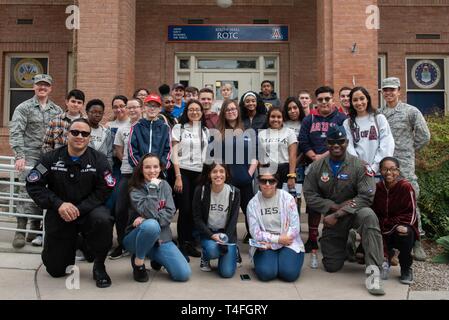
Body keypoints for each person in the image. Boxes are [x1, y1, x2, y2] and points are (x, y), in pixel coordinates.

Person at [26, 118, 115, 288]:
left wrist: (79, 209)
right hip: (60, 213)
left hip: (88, 212)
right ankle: (79, 242)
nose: (79, 136)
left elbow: (105, 189)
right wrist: (58, 204)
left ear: (89, 137)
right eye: (75, 132)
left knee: (103, 220)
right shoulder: (50, 159)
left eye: (84, 133)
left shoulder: (99, 159)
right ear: (67, 134)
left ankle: (99, 265)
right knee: (56, 270)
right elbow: (34, 184)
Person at [303, 125, 385, 295]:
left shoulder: (360, 165)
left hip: (355, 213)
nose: (336, 145)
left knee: (369, 216)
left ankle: (373, 274)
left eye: (340, 141)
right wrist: (333, 207)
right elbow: (309, 195)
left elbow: (367, 196)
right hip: (333, 218)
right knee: (332, 266)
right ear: (327, 143)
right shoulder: (317, 167)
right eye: (332, 142)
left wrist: (341, 211)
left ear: (347, 142)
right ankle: (349, 241)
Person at [380, 77, 431, 261]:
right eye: (385, 90)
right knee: (387, 200)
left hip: (405, 164)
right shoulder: (380, 114)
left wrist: (409, 150)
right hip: (386, 163)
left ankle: (417, 241)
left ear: (399, 91)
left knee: (411, 200)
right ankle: (391, 241)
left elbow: (424, 136)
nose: (389, 93)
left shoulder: (411, 111)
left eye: (392, 89)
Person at [9, 74, 63, 248]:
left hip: (48, 156)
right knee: (26, 189)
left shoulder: (57, 110)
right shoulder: (23, 108)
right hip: (29, 155)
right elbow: (16, 132)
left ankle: (35, 227)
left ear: (50, 88)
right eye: (39, 85)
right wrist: (19, 155)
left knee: (44, 190)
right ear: (33, 87)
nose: (42, 88)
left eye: (46, 85)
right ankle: (20, 229)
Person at [123, 153, 191, 282]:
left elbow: (170, 212)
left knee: (183, 274)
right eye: (147, 167)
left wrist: (147, 219)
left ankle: (156, 258)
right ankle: (139, 262)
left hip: (161, 239)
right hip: (135, 238)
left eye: (155, 167)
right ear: (141, 169)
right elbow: (149, 213)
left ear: (160, 168)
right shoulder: (135, 189)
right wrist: (153, 188)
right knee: (150, 226)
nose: (152, 171)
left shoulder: (165, 185)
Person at [299, 86, 347, 252]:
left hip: (336, 166)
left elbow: (343, 141)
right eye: (320, 100)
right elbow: (303, 140)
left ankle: (332, 238)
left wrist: (324, 156)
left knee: (334, 202)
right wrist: (314, 157)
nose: (324, 102)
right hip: (313, 166)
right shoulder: (309, 119)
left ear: (333, 100)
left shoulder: (341, 118)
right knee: (313, 203)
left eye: (327, 99)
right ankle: (312, 239)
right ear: (316, 102)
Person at [246, 170, 304, 282]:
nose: (267, 184)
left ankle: (286, 259)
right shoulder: (252, 204)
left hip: (288, 242)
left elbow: (295, 228)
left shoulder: (288, 198)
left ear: (276, 182)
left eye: (271, 181)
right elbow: (255, 233)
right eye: (263, 181)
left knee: (289, 274)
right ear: (258, 182)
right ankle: (272, 261)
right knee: (266, 274)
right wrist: (277, 240)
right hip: (265, 244)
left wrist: (275, 245)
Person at [172, 100, 210, 258]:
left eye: (197, 110)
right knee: (185, 209)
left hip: (199, 174)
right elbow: (174, 153)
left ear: (202, 112)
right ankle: (182, 243)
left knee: (195, 210)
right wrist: (178, 176)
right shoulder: (179, 128)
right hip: (184, 172)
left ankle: (190, 243)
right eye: (191, 110)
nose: (194, 112)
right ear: (186, 112)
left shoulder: (205, 130)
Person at [372, 157, 418, 285]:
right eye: (385, 169)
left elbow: (412, 212)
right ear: (380, 171)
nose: (388, 172)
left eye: (392, 169)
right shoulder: (378, 188)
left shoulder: (405, 187)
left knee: (405, 233)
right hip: (382, 226)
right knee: (372, 233)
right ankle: (386, 259)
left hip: (399, 225)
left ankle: (405, 268)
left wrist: (404, 225)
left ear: (398, 171)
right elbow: (373, 210)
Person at [108, 98, 143, 260]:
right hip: (126, 173)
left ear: (141, 108)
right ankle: (122, 244)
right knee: (120, 209)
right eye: (130, 107)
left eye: (136, 107)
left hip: (144, 177)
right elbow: (119, 151)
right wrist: (130, 163)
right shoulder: (123, 129)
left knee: (139, 211)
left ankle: (138, 245)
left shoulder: (147, 126)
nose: (133, 110)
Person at [192, 163, 240, 278]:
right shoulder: (201, 190)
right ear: (209, 174)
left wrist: (226, 240)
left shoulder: (234, 192)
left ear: (226, 174)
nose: (218, 175)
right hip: (209, 234)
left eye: (221, 171)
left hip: (226, 233)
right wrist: (212, 236)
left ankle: (234, 251)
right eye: (214, 171)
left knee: (227, 273)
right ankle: (205, 256)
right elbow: (197, 219)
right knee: (213, 251)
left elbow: (233, 220)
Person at [343, 87, 394, 175]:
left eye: (362, 98)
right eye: (355, 100)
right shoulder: (347, 123)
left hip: (379, 172)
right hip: (358, 172)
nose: (359, 103)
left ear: (367, 99)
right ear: (351, 102)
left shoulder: (379, 118)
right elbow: (349, 147)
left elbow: (387, 144)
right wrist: (360, 166)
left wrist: (374, 167)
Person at [258, 107, 298, 190]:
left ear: (283, 118)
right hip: (267, 171)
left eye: (279, 117)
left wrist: (292, 176)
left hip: (285, 170)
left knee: (285, 200)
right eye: (273, 116)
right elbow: (261, 158)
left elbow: (292, 155)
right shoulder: (262, 134)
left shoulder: (289, 132)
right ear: (268, 118)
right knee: (268, 198)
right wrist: (261, 176)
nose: (276, 119)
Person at [128, 93, 171, 169]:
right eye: (149, 105)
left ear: (160, 108)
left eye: (155, 106)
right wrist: (142, 168)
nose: (152, 108)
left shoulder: (165, 127)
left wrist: (160, 168)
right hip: (140, 172)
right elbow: (132, 151)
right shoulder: (136, 126)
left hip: (159, 172)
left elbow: (168, 151)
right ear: (144, 107)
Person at [85, 99, 113, 167]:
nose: (97, 115)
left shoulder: (106, 132)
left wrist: (108, 169)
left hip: (101, 169)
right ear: (87, 112)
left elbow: (109, 155)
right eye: (93, 112)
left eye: (100, 113)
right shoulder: (81, 130)